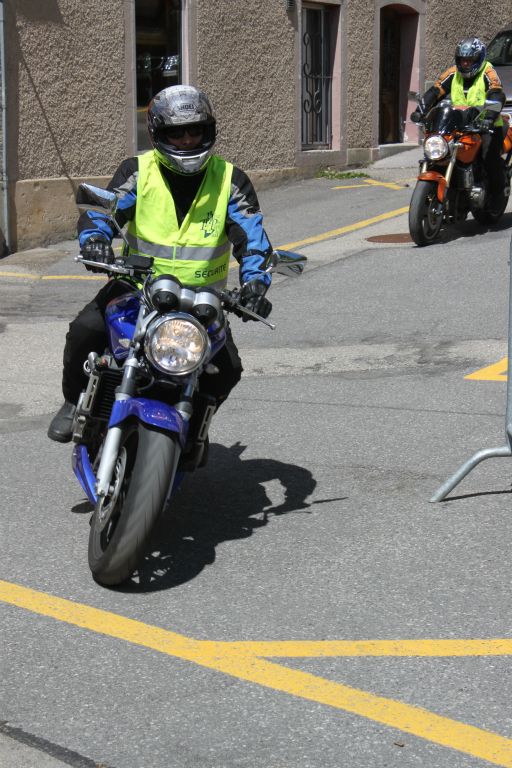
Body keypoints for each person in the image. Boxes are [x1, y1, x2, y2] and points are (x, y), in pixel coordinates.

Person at [48, 85, 273, 444]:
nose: (187, 139)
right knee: (84, 330)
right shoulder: (138, 171)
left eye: (195, 130)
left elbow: (253, 239)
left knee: (227, 371)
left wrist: (256, 284)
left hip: (202, 301)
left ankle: (193, 428)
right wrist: (95, 240)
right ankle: (73, 402)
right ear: (157, 134)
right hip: (138, 288)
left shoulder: (231, 181)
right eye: (176, 132)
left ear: (209, 131)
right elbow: (103, 211)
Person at [411, 37, 506, 208]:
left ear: (479, 59)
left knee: (489, 157)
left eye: (470, 60)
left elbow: (496, 93)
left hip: (486, 125)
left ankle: (497, 195)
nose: (465, 64)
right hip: (460, 124)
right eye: (462, 60)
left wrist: (489, 117)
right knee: (440, 153)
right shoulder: (452, 73)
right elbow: (436, 90)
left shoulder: (488, 72)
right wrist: (420, 111)